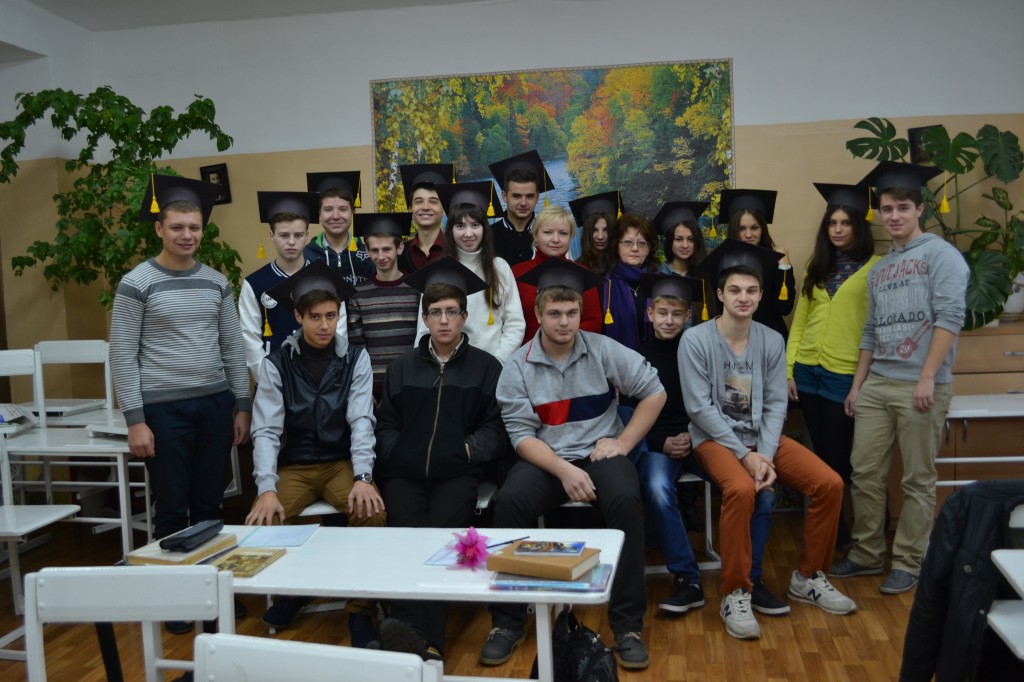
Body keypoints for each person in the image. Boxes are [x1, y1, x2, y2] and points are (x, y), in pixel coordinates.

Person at [482, 258, 666, 671]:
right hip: (547, 458)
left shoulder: (601, 349)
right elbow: (521, 437)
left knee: (625, 499)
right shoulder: (517, 366)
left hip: (600, 453)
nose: (564, 322)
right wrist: (564, 470)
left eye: (571, 313)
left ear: (581, 313)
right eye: (554, 314)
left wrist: (622, 442)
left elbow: (655, 392)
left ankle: (628, 626)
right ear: (538, 313)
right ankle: (506, 623)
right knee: (509, 502)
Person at [681, 239, 855, 640]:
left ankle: (809, 576)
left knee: (829, 484)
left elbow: (777, 403)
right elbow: (699, 408)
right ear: (720, 294)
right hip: (714, 440)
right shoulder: (696, 340)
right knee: (742, 490)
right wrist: (746, 456)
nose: (744, 297)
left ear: (761, 295)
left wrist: (765, 452)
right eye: (735, 290)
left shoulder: (772, 340)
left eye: (752, 290)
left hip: (761, 438)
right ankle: (735, 592)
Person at [110, 175, 252, 633]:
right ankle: (174, 597)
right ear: (159, 229)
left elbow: (232, 346)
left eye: (194, 227)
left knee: (210, 504)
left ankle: (213, 592)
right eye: (177, 227)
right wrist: (135, 420)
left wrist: (241, 403)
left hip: (214, 405)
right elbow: (122, 355)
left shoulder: (216, 282)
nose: (186, 235)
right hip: (163, 412)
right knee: (172, 506)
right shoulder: (137, 283)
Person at [830, 162, 969, 595]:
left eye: (902, 208)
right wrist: (858, 385)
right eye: (887, 209)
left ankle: (909, 561)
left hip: (921, 385)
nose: (894, 216)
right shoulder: (880, 267)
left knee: (917, 479)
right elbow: (870, 331)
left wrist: (928, 376)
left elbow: (950, 317)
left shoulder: (940, 255)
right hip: (878, 383)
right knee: (864, 473)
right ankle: (867, 554)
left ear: (920, 210)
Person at [374, 258, 511, 662]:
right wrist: (397, 452)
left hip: (457, 474)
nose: (444, 320)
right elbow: (385, 423)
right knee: (406, 542)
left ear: (465, 317)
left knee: (443, 543)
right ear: (425, 319)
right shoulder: (401, 368)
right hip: (405, 475)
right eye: (436, 312)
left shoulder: (486, 368)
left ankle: (426, 640)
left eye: (452, 312)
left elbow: (497, 428)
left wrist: (468, 450)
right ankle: (410, 634)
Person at [247, 261, 386, 643]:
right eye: (315, 317)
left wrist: (363, 476)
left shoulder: (356, 359)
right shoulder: (276, 364)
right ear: (297, 316)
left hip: (341, 463)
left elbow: (361, 420)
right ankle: (294, 590)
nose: (324, 325)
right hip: (295, 466)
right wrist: (266, 488)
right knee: (263, 521)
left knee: (372, 512)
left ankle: (360, 610)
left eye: (331, 316)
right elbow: (266, 430)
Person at [632, 273, 780, 620]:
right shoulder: (635, 357)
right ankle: (687, 578)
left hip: (710, 439)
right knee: (656, 488)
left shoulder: (705, 346)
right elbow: (626, 414)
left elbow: (719, 405)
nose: (669, 321)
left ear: (689, 316)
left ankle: (751, 578)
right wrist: (660, 442)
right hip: (660, 445)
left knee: (761, 493)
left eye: (677, 314)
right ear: (650, 314)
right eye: (662, 313)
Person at [786, 184, 880, 546]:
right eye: (832, 223)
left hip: (845, 373)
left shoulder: (876, 269)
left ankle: (849, 530)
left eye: (845, 223)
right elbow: (800, 322)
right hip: (808, 371)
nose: (837, 229)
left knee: (839, 456)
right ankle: (833, 532)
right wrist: (789, 369)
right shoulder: (817, 265)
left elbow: (875, 329)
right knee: (821, 455)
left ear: (859, 225)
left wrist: (860, 380)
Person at [416, 181, 525, 362]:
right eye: (460, 226)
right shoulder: (438, 272)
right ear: (451, 230)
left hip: (494, 365)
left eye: (475, 225)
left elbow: (515, 324)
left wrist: (497, 361)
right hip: (447, 366)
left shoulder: (499, 268)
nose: (468, 234)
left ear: (484, 228)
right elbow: (424, 330)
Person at [239, 191, 318, 381]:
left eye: (298, 235)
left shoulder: (322, 277)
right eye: (284, 235)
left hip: (318, 377)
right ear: (272, 235)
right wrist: (268, 381)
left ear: (307, 236)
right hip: (272, 377)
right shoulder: (254, 284)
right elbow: (250, 339)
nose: (291, 241)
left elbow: (338, 331)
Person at [347, 212, 421, 403]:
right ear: (367, 250)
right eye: (375, 250)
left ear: (400, 247)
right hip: (373, 388)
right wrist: (364, 389)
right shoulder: (357, 294)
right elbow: (357, 347)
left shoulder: (416, 290)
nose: (381, 256)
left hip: (411, 384)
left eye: (387, 249)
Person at [511, 205, 603, 341]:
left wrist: (560, 341)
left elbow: (594, 320)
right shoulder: (517, 273)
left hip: (573, 349)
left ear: (570, 237)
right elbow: (509, 320)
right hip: (528, 350)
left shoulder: (581, 273)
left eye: (563, 233)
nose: (555, 239)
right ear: (535, 236)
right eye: (548, 232)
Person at [720, 188, 795, 341]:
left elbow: (784, 308)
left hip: (770, 338)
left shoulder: (776, 262)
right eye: (741, 228)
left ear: (762, 229)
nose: (749, 235)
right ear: (733, 229)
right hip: (733, 338)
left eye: (754, 228)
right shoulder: (722, 262)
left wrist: (784, 267)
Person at [599, 213, 661, 349]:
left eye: (642, 243)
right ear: (617, 246)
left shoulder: (660, 283)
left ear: (649, 249)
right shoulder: (603, 285)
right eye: (628, 242)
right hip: (615, 358)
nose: (635, 248)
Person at [304, 170, 374, 286]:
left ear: (352, 212)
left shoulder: (369, 254)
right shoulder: (306, 256)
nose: (336, 216)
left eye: (343, 209)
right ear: (319, 214)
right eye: (328, 209)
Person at [487, 150, 554, 266]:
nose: (523, 203)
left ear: (537, 197)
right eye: (516, 196)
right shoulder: (487, 235)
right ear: (504, 196)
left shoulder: (552, 234)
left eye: (529, 196)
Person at [654, 200, 712, 325]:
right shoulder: (658, 277)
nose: (685, 245)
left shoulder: (705, 277)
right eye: (679, 239)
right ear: (669, 242)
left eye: (690, 239)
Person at [397, 163, 453, 273]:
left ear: (444, 208)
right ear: (410, 208)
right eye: (419, 201)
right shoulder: (399, 254)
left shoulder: (456, 251)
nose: (425, 207)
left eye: (433, 201)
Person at [570, 190, 622, 276]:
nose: (600, 236)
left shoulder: (623, 267)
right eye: (594, 230)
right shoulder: (576, 269)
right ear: (587, 233)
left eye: (606, 230)